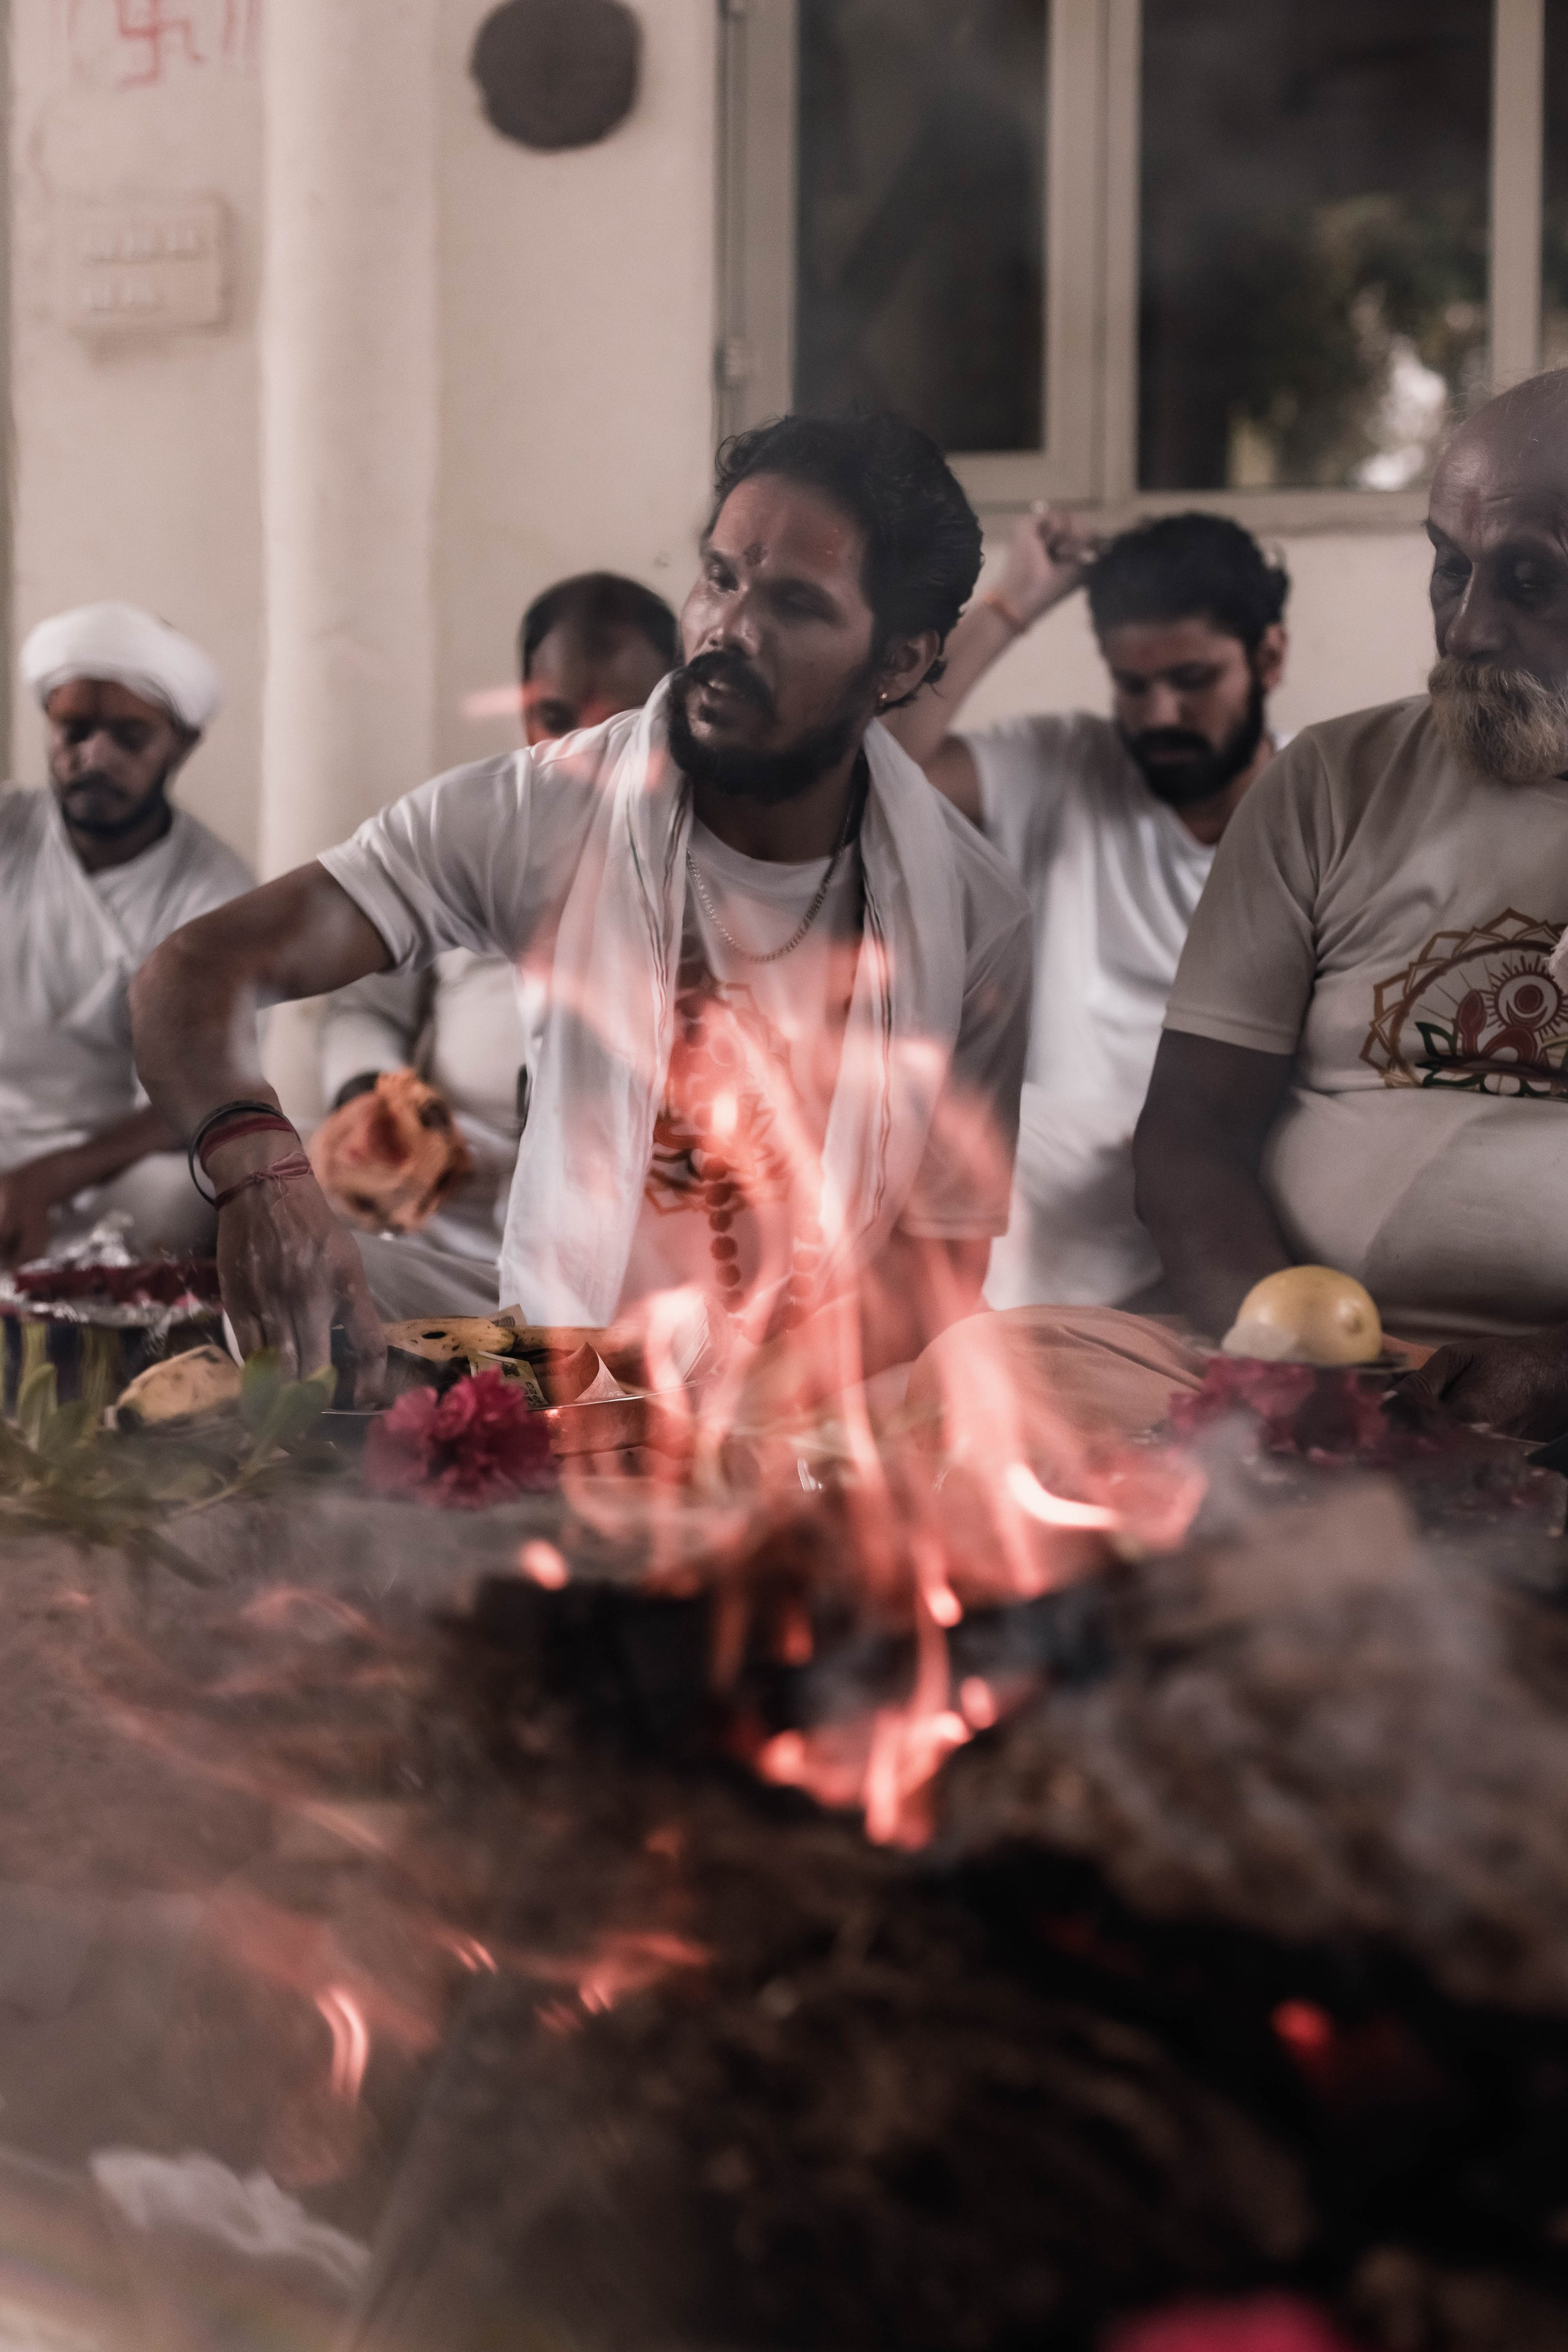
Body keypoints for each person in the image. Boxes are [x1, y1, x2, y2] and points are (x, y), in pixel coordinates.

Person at [130, 413, 1033, 1434]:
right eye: (721, 577)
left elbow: (935, 1271)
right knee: (279, 1330)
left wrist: (712, 1415)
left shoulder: (974, 918)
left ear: (901, 662)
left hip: (808, 1417)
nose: (729, 630)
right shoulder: (544, 813)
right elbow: (192, 972)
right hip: (552, 1368)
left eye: (793, 604)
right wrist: (265, 1176)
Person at [911, 366, 1568, 1455]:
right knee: (982, 1376)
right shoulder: (1331, 781)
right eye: (1449, 569)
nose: (1471, 628)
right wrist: (1308, 1375)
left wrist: (1552, 1375)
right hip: (1311, 1368)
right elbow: (1188, 1140)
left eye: (1530, 581)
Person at [886, 507, 1289, 1308]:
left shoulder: (1319, 809)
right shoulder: (1065, 764)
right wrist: (1013, 601)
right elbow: (875, 767)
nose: (1160, 716)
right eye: (1133, 687)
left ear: (1268, 656)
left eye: (1193, 680)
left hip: (1226, 1200)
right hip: (1041, 1208)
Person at [315, 573, 679, 1318]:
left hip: (620, 1277)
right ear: (523, 709)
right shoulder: (468, 837)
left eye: (622, 727)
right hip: (444, 1231)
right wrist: (371, 1095)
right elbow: (361, 1005)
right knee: (291, 1281)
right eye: (555, 718)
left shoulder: (709, 870)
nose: (583, 754)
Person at [0, 601, 251, 1268]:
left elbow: (194, 1097)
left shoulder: (213, 893)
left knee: (184, 1200)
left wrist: (44, 1179)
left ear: (182, 743)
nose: (95, 757)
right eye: (73, 730)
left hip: (112, 1167)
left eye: (129, 737)